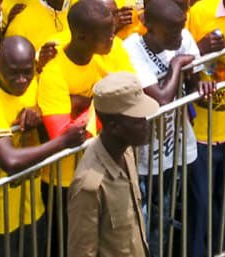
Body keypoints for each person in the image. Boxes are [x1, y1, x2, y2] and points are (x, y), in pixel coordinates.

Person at [64, 74, 156, 257]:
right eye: (138, 120)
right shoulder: (89, 185)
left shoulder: (127, 153)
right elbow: (82, 252)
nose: (147, 124)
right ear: (115, 127)